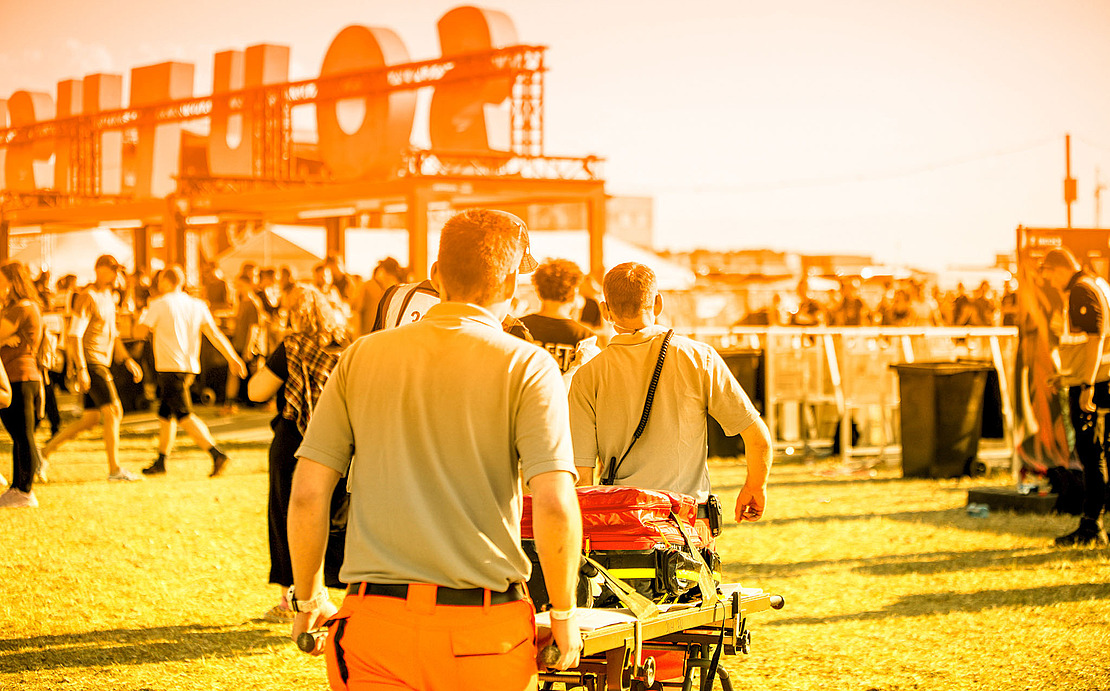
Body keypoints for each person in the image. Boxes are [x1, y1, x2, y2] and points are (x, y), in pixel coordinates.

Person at [287, 208, 584, 688]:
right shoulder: (529, 365)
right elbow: (553, 500)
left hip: (373, 622)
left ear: (435, 275)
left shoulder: (362, 356)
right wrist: (565, 616)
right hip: (483, 632)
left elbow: (307, 492)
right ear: (510, 284)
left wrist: (306, 601)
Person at [568, 262, 773, 540]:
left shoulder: (587, 376)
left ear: (605, 311)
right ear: (658, 303)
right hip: (688, 525)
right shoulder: (700, 357)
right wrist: (755, 486)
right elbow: (756, 436)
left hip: (622, 528)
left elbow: (581, 477)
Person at [247, 285, 349, 621]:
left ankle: (293, 598)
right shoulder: (347, 345)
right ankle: (345, 591)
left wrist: (260, 361)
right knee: (339, 518)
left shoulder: (290, 347)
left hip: (293, 441)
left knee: (287, 517)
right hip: (340, 440)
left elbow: (257, 392)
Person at [133, 266, 247, 477]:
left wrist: (140, 316)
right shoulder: (197, 305)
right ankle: (161, 460)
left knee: (184, 414)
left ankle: (216, 453)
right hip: (189, 367)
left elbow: (139, 332)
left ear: (166, 282)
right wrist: (233, 358)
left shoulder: (159, 303)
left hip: (169, 366)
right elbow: (214, 334)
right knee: (166, 415)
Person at [41, 255, 144, 482]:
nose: (117, 274)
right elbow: (75, 335)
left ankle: (43, 453)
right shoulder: (87, 297)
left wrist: (127, 360)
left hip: (101, 360)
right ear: (99, 270)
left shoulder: (109, 297)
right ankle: (115, 470)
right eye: (113, 269)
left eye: (118, 270)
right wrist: (81, 368)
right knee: (114, 410)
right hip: (91, 361)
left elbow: (114, 335)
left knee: (89, 421)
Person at [1041, 248, 1110, 546]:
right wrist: (1066, 375)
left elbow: (1095, 341)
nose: (1050, 280)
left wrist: (1085, 385)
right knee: (1098, 455)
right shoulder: (1095, 284)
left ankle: (1091, 527)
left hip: (1096, 382)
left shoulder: (1081, 290)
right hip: (1097, 377)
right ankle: (1093, 524)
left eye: (1048, 273)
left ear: (1059, 268)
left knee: (1091, 455)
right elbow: (1084, 345)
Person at [0, 261, 45, 508]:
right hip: (18, 376)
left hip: (21, 376)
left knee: (22, 434)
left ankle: (25, 490)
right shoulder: (19, 307)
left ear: (12, 282)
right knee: (18, 434)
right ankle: (17, 488)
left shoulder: (22, 308)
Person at [520, 258, 599, 385]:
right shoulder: (585, 338)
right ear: (574, 292)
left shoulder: (519, 327)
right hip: (566, 403)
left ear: (538, 291)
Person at [223, 273, 264, 415]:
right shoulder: (241, 302)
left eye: (240, 285)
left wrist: (249, 346)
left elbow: (254, 327)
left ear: (248, 285)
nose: (237, 288)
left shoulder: (253, 303)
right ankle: (230, 403)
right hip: (239, 342)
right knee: (234, 372)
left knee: (254, 374)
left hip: (249, 345)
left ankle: (262, 400)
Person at [353, 257, 404, 336]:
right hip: (367, 337)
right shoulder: (367, 287)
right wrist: (357, 337)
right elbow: (356, 312)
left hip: (385, 337)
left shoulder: (394, 290)